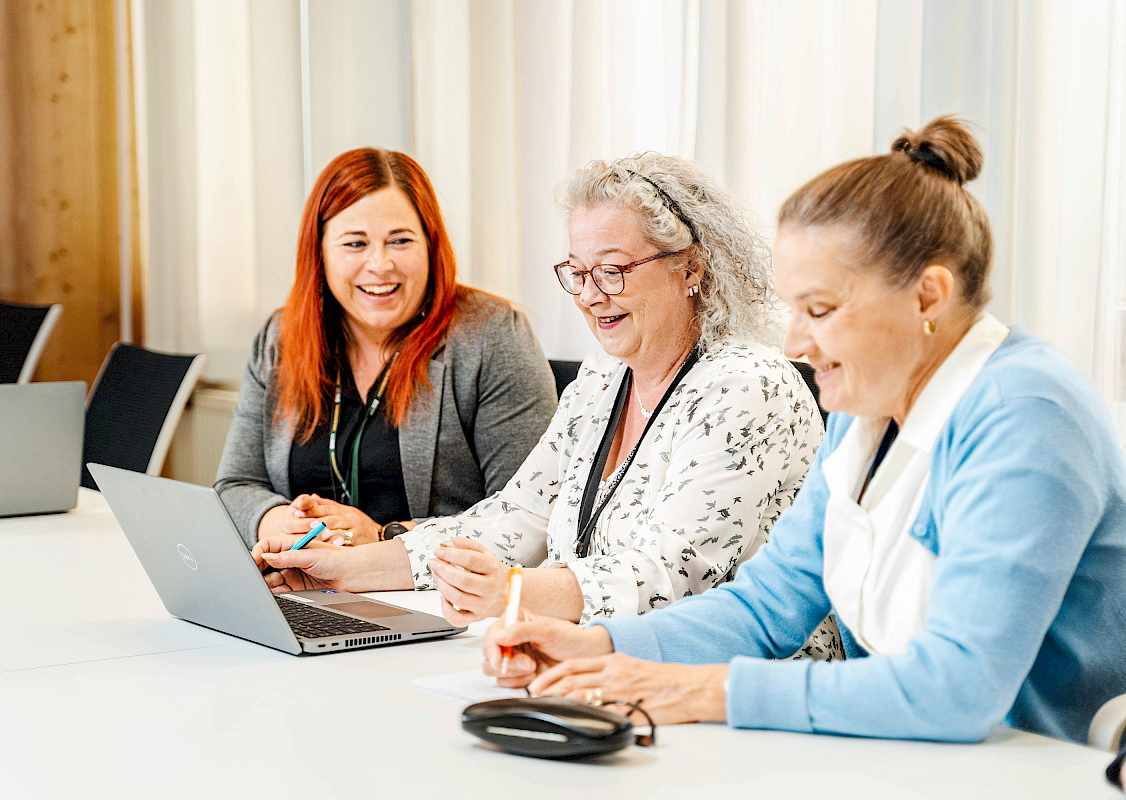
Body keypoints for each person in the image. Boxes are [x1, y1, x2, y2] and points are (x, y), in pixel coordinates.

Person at [481, 117, 1126, 744]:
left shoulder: (1028, 410)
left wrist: (707, 693)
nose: (795, 342)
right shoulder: (865, 411)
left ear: (928, 297)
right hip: (907, 760)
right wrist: (598, 645)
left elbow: (958, 688)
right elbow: (767, 605)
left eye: (819, 310)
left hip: (1041, 771)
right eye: (793, 310)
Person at [254, 153, 838, 651]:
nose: (589, 296)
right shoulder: (604, 377)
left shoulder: (749, 386)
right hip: (598, 667)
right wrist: (343, 570)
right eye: (577, 273)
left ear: (691, 267)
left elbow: (672, 574)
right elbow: (516, 518)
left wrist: (512, 591)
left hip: (733, 687)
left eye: (611, 271)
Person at [215, 148, 556, 549]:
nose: (379, 264)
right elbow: (235, 485)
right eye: (355, 243)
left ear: (430, 245)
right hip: (306, 589)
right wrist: (280, 525)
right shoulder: (280, 339)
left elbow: (529, 515)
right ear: (319, 252)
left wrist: (385, 537)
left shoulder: (492, 335)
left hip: (434, 595)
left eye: (400, 241)